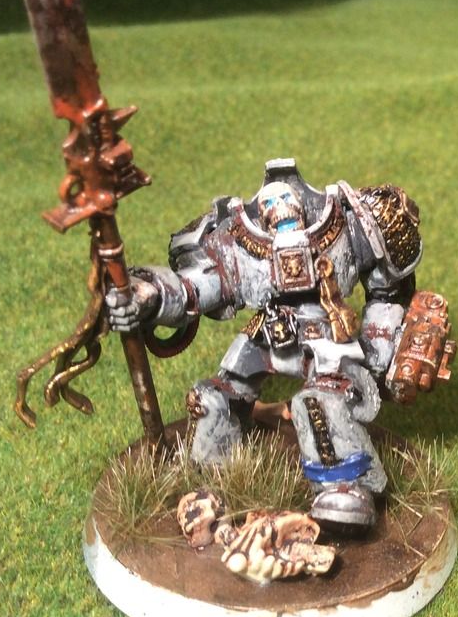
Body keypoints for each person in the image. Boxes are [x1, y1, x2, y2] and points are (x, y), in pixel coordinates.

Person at [106, 158, 423, 530]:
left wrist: (380, 346)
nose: (281, 212)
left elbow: (389, 289)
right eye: (271, 206)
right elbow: (194, 288)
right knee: (212, 399)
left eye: (287, 204)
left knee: (319, 403)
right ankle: (214, 478)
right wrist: (149, 294)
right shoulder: (234, 238)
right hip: (267, 332)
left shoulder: (349, 223)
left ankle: (344, 486)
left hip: (327, 334)